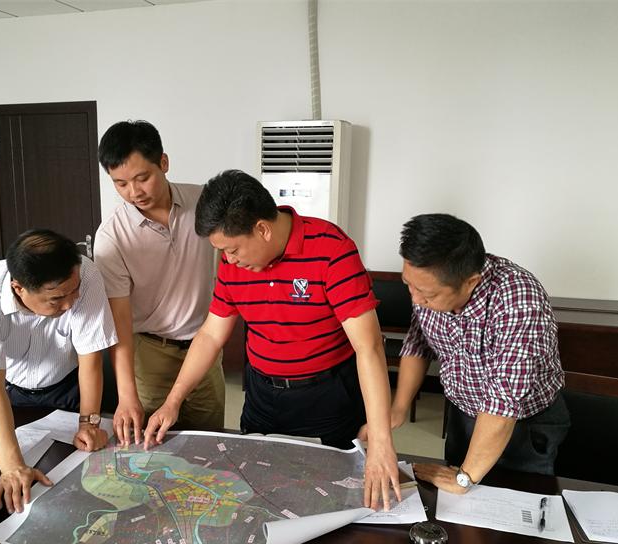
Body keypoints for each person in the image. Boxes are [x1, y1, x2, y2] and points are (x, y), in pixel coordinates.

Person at [142, 169, 401, 510]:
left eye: (232, 249)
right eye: (222, 252)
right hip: (263, 396)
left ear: (262, 229)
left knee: (333, 495)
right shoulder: (233, 265)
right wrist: (173, 401)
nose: (228, 260)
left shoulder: (331, 249)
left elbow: (368, 347)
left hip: (326, 395)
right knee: (255, 492)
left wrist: (381, 440)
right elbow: (210, 334)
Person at [392, 213, 569, 493]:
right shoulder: (425, 287)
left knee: (516, 502)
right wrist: (399, 408)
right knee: (456, 504)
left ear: (471, 282)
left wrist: (465, 478)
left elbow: (503, 403)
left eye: (428, 294)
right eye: (408, 284)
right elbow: (419, 343)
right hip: (464, 413)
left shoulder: (518, 300)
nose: (415, 298)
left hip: (523, 424)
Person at [0, 229, 117, 513]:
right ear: (18, 288)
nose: (70, 303)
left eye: (74, 291)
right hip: (11, 398)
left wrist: (89, 424)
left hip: (68, 390)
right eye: (56, 299)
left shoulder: (85, 274)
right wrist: (12, 467)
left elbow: (91, 360)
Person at [93, 120, 224, 446]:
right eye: (120, 183)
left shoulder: (203, 204)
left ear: (163, 163)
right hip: (152, 353)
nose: (134, 192)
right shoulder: (112, 236)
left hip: (205, 348)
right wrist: (127, 396)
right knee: (154, 448)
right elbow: (120, 321)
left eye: (142, 178)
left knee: (211, 445)